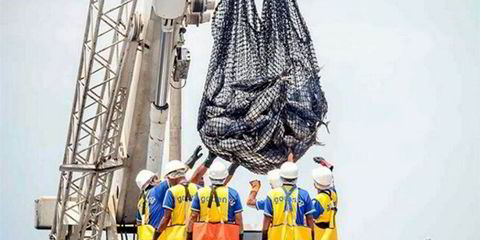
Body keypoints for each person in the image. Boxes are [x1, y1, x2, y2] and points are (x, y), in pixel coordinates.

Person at [186, 161, 244, 240]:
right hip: (226, 235)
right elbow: (238, 218)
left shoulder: (200, 193)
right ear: (225, 176)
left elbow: (193, 216)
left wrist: (189, 236)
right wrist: (241, 236)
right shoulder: (233, 194)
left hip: (204, 235)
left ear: (209, 176)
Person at [262, 161, 314, 240]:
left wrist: (264, 237)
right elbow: (309, 219)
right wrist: (313, 237)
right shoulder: (304, 194)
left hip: (277, 237)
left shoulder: (272, 194)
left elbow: (267, 220)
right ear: (296, 178)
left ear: (281, 177)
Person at [153, 160, 198, 240]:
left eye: (168, 179)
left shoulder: (171, 192)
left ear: (172, 177)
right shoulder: (197, 189)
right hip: (195, 234)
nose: (169, 181)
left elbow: (166, 217)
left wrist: (156, 235)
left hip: (176, 235)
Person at [311, 166, 338, 240]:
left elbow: (308, 218)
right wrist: (328, 170)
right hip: (331, 236)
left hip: (321, 236)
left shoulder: (317, 200)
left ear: (315, 185)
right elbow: (331, 185)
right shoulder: (332, 195)